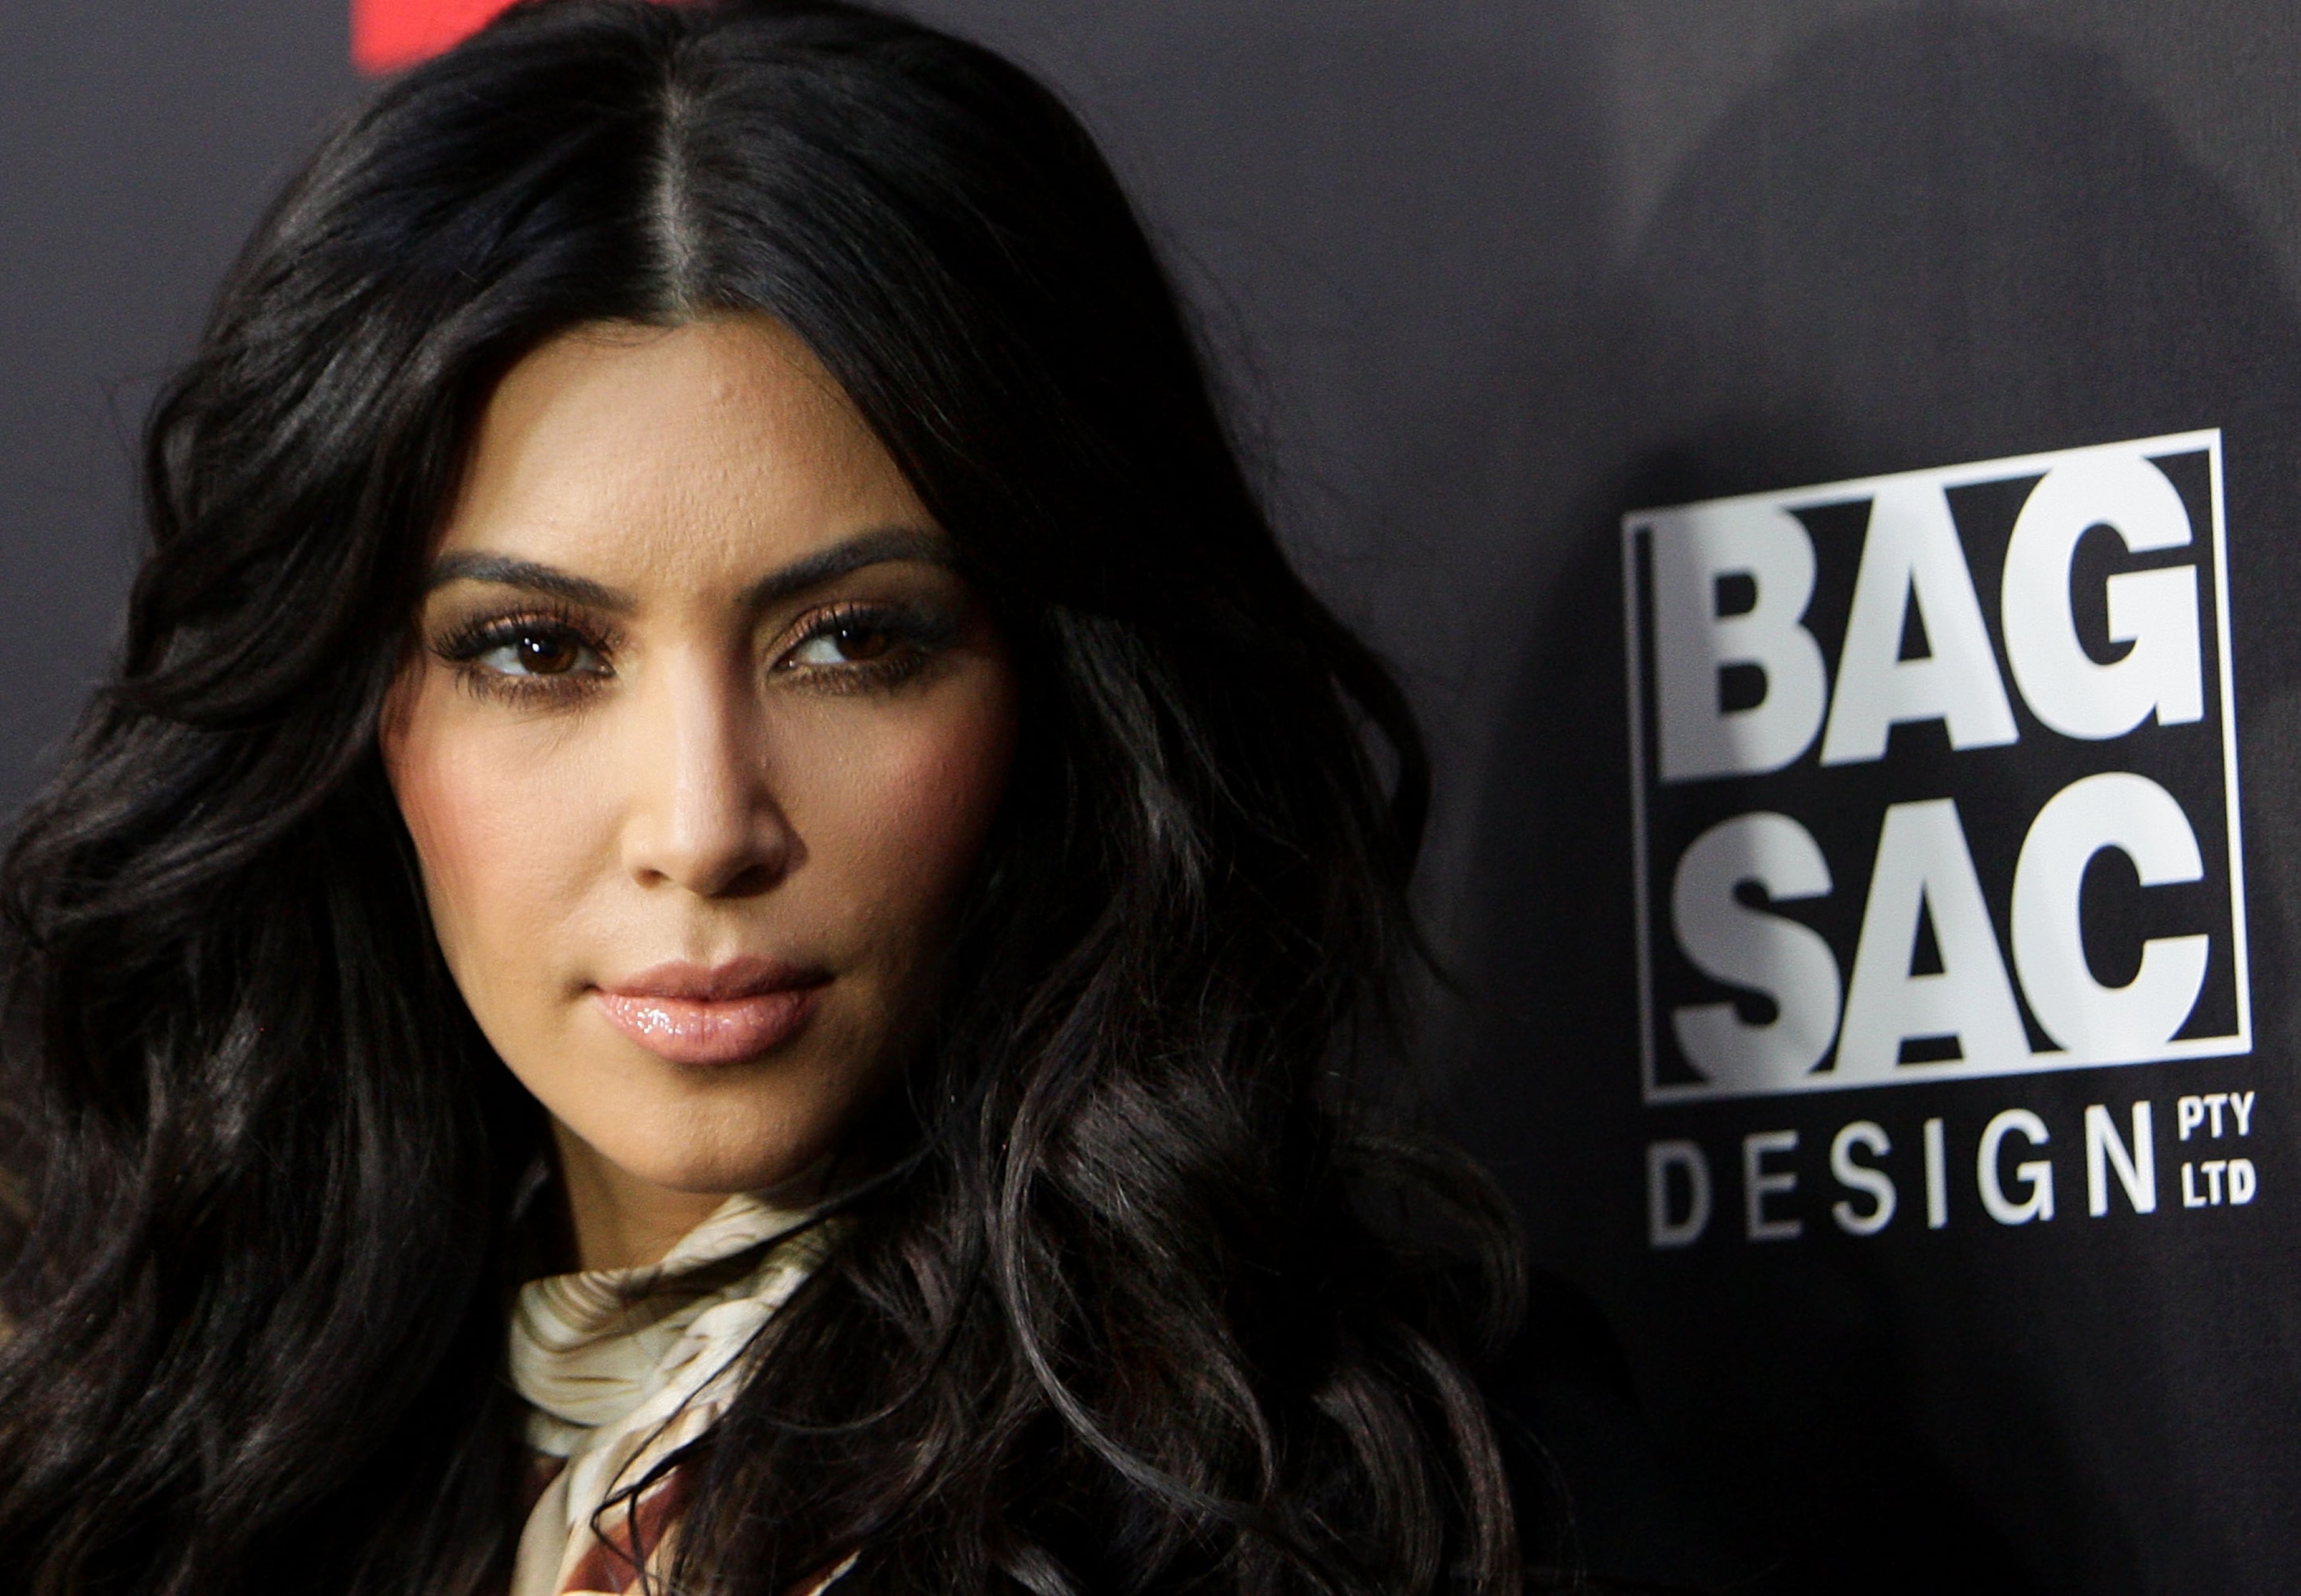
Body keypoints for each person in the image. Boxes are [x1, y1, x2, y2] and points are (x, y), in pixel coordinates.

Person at [0, 3, 1771, 1592]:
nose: (704, 826)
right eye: (537, 651)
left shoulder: (1385, 1496)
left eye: (852, 643)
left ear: (1059, 692)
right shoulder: (169, 1483)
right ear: (354, 708)